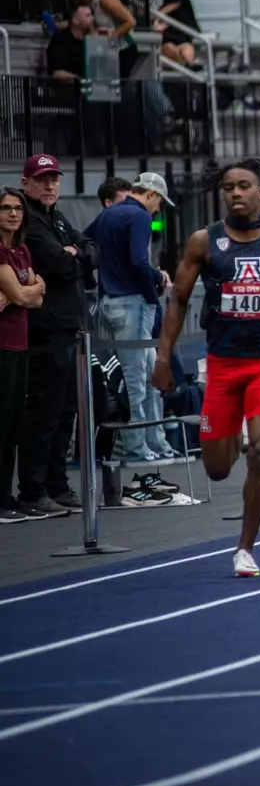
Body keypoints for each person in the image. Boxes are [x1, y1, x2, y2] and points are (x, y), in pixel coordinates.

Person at [153, 160, 260, 576]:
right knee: (218, 468)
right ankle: (233, 442)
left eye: (244, 186)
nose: (235, 193)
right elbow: (178, 301)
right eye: (228, 188)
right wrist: (163, 357)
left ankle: (245, 547)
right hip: (222, 368)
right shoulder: (203, 242)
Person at [19, 154, 95, 518]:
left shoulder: (56, 217)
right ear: (26, 182)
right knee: (45, 414)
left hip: (67, 327)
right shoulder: (29, 221)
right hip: (46, 331)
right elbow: (61, 266)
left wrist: (76, 251)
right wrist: (75, 256)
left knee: (66, 412)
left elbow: (90, 247)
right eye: (42, 179)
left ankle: (57, 484)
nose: (50, 186)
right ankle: (33, 489)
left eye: (54, 179)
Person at [84, 171, 175, 462]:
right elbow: (138, 261)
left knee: (140, 377)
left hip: (109, 302)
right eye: (159, 202)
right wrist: (154, 285)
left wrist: (94, 280)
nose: (158, 209)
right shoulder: (139, 217)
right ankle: (139, 448)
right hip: (133, 303)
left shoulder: (109, 214)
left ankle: (154, 443)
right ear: (151, 195)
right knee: (138, 380)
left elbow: (84, 242)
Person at [0, 189, 46, 523]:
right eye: (5, 208)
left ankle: (8, 496)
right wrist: (25, 293)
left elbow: (36, 298)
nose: (13, 214)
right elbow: (22, 291)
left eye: (17, 208)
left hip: (20, 343)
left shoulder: (23, 249)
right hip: (2, 346)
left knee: (14, 425)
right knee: (2, 424)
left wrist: (22, 295)